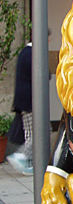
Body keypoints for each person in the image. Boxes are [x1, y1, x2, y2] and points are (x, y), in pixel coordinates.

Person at [6, 41, 33, 175]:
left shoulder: (24, 53)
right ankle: (21, 156)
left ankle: (27, 160)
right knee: (35, 132)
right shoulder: (32, 54)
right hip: (30, 101)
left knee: (31, 131)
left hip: (24, 100)